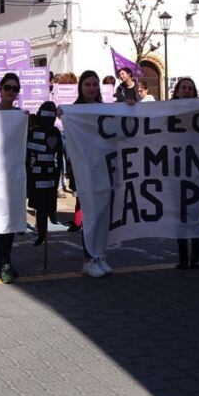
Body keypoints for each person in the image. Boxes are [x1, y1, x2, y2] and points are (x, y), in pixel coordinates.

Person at [73, 70, 113, 278]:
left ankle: (99, 255)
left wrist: (130, 106)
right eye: (87, 84)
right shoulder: (75, 111)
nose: (91, 88)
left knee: (104, 214)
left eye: (94, 84)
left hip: (104, 168)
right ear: (81, 87)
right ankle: (88, 259)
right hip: (85, 170)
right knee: (90, 214)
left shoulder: (104, 110)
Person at [0, 73, 23, 284]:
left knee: (8, 220)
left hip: (11, 175)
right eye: (7, 87)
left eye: (15, 88)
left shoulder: (21, 115)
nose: (11, 91)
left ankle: (5, 261)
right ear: (0, 89)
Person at [170, 77, 199, 269]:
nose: (187, 91)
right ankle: (183, 258)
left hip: (197, 170)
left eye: (190, 88)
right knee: (179, 216)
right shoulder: (168, 110)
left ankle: (195, 258)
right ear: (177, 91)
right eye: (184, 88)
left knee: (196, 215)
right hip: (176, 172)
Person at [28, 101, 64, 246]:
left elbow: (59, 157)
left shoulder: (55, 133)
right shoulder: (33, 133)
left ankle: (47, 221)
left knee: (44, 206)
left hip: (47, 175)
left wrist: (56, 178)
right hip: (40, 175)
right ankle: (41, 231)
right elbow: (27, 155)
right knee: (41, 206)